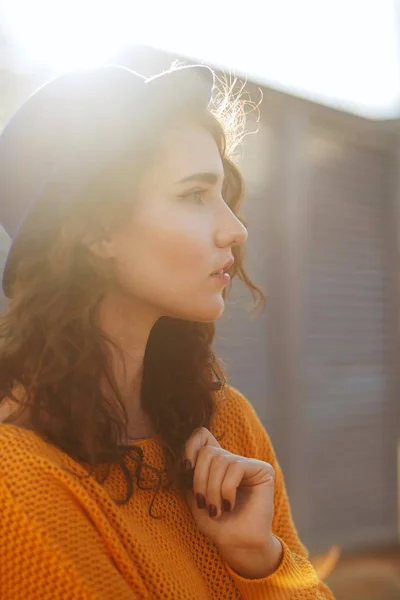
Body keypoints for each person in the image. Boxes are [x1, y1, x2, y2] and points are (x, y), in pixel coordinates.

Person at [0, 63, 334, 599]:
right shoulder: (18, 484)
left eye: (223, 193)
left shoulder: (226, 423)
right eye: (193, 196)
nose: (236, 228)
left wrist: (258, 558)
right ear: (93, 230)